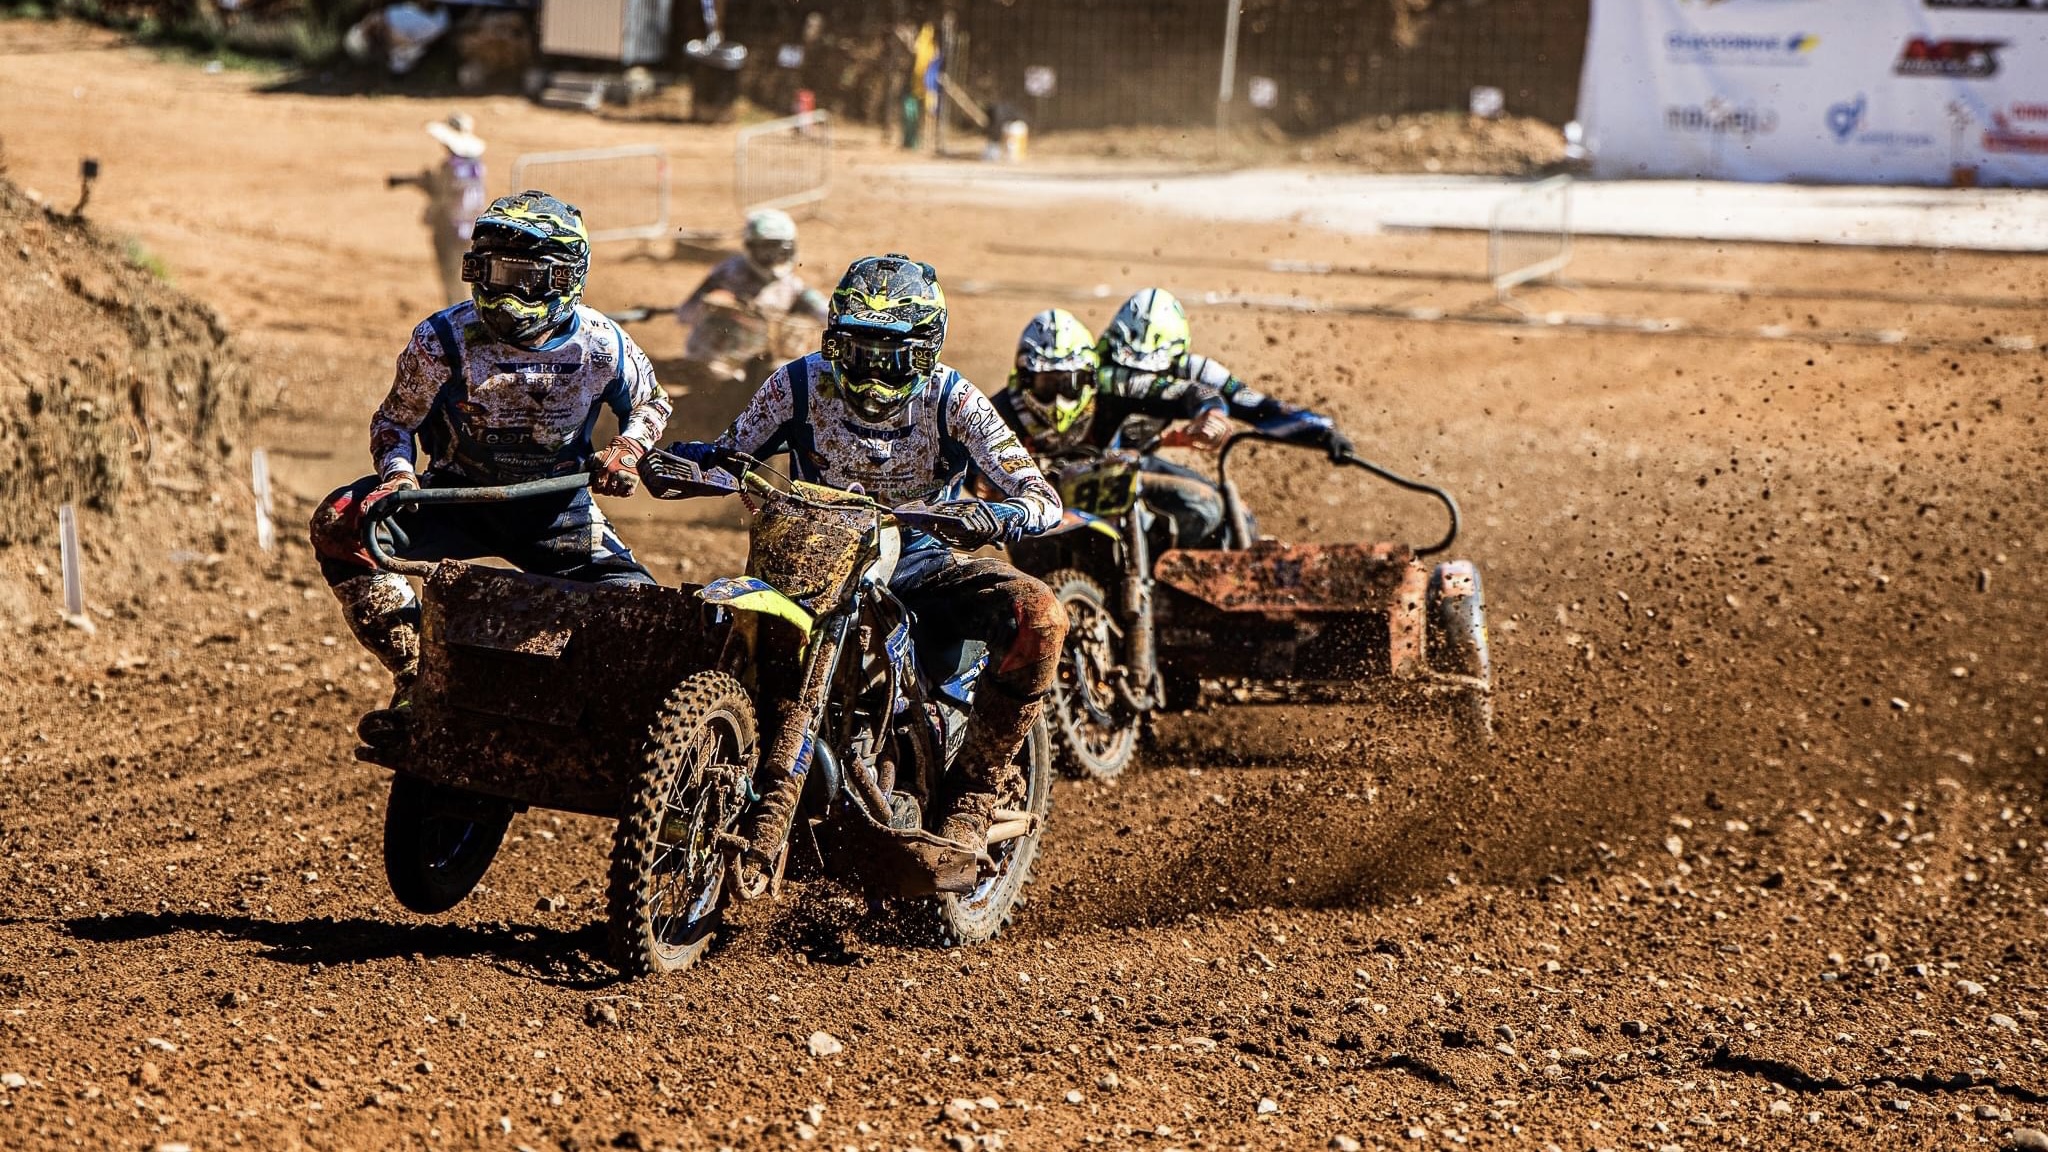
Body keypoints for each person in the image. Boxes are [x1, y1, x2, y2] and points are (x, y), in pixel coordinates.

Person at [668, 254, 1065, 888]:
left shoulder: (953, 398)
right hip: (809, 555)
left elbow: (1043, 498)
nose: (870, 372)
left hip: (919, 560)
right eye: (856, 351)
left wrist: (993, 516)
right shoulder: (797, 383)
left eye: (890, 357)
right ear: (833, 341)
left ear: (925, 352)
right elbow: (731, 454)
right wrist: (687, 469)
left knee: (1040, 615)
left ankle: (975, 792)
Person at [309, 190, 672, 741]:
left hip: (558, 513)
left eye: (520, 277)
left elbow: (652, 402)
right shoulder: (441, 339)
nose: (503, 294)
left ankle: (608, 722)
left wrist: (627, 449)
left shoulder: (603, 343)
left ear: (563, 277)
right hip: (451, 497)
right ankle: (417, 676)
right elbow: (394, 422)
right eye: (490, 272)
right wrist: (399, 477)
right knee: (340, 524)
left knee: (645, 615)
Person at [1093, 288, 1355, 547]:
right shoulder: (1095, 369)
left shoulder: (1193, 369)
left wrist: (1320, 432)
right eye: (1127, 364)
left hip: (1139, 463)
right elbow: (1193, 394)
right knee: (1202, 504)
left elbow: (1256, 405)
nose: (1139, 375)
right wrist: (1209, 409)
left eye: (1154, 366)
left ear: (1175, 354)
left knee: (1235, 514)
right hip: (1084, 467)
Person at [673, 208, 826, 384]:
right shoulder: (727, 274)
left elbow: (821, 308)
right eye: (766, 251)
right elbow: (685, 313)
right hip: (716, 359)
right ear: (750, 247)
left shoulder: (790, 284)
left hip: (758, 360)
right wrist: (712, 305)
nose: (773, 257)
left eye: (780, 250)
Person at [389, 111, 487, 306]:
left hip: (449, 229)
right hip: (472, 228)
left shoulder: (449, 166)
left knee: (451, 278)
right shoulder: (477, 166)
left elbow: (441, 192)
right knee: (466, 276)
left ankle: (459, 316)